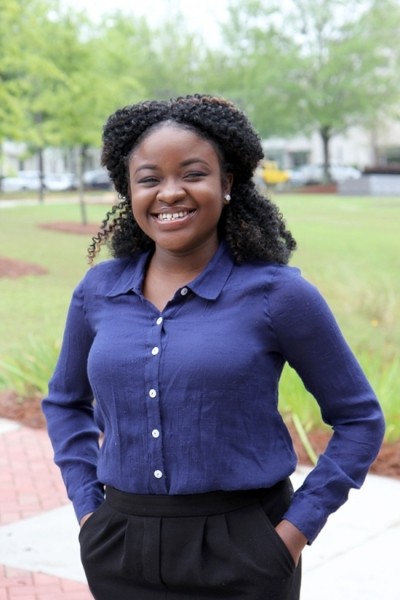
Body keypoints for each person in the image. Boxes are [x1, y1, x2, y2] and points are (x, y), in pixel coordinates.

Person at [42, 94, 385, 600]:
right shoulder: (98, 291)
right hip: (120, 546)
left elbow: (359, 419)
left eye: (193, 173)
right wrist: (88, 510)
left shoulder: (278, 294)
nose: (170, 193)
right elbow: (65, 403)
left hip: (246, 552)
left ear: (227, 183)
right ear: (128, 191)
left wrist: (292, 535)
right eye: (150, 178)